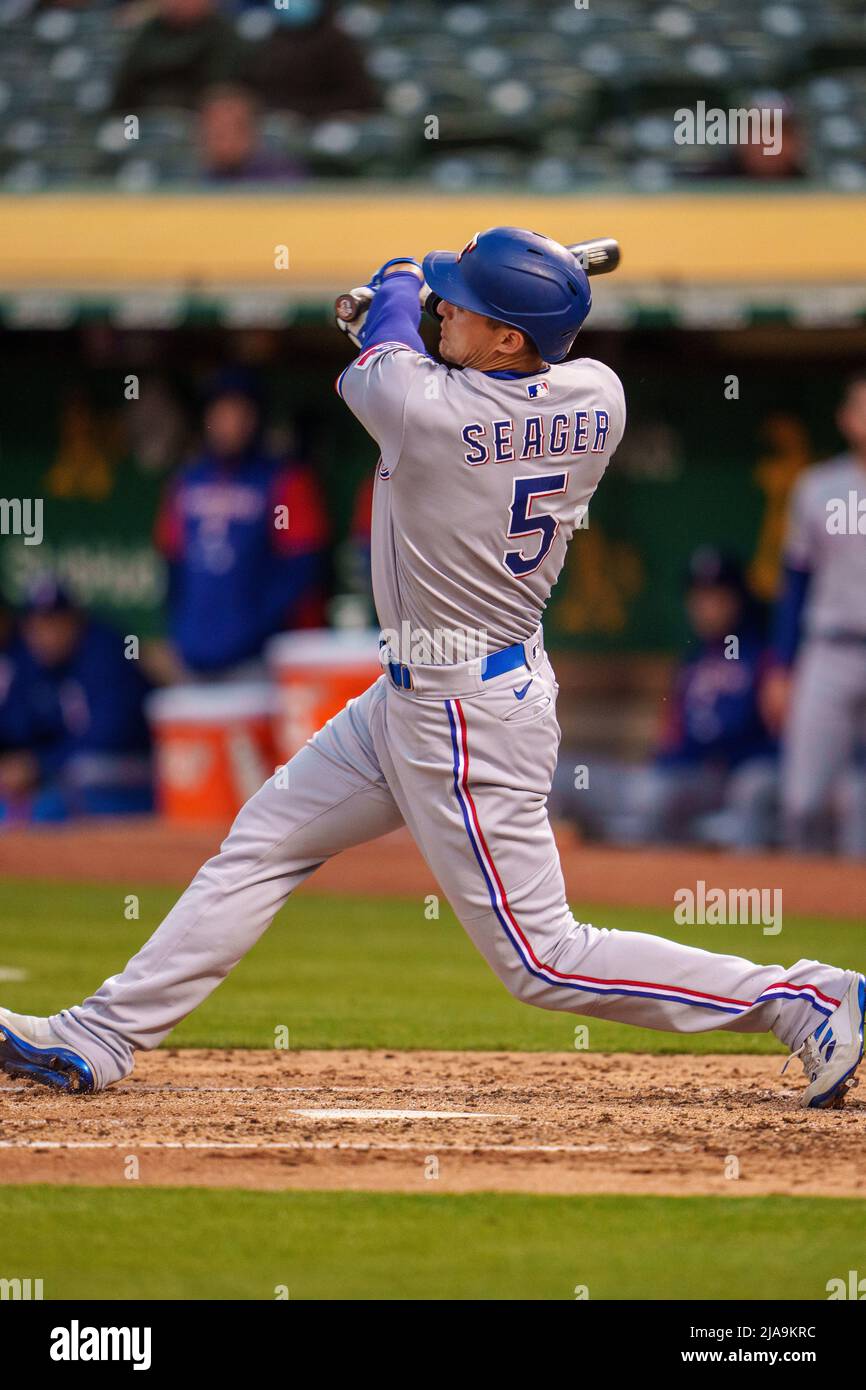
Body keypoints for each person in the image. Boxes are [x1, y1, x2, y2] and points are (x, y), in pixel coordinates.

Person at [0, 229, 862, 1112]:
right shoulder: (598, 395)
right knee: (261, 842)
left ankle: (804, 998)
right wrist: (406, 310)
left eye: (471, 305)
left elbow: (400, 332)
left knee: (543, 961)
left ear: (511, 341)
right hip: (420, 698)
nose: (450, 307)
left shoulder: (426, 410)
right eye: (449, 297)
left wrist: (397, 287)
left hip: (465, 715)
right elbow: (413, 342)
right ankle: (101, 1035)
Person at [155, 368, 328, 680]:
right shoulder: (188, 480)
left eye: (239, 412)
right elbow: (172, 564)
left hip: (260, 661)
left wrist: (251, 630)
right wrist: (184, 633)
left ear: (256, 417)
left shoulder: (285, 480)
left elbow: (303, 571)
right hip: (194, 656)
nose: (229, 424)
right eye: (220, 412)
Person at [763, 370, 866, 855]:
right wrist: (781, 668)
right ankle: (805, 908)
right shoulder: (818, 487)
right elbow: (795, 583)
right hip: (830, 649)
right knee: (803, 801)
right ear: (846, 419)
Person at [616, 550, 777, 848]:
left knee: (753, 789)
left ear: (738, 598)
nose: (706, 607)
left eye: (716, 597)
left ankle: (748, 887)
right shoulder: (694, 660)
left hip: (746, 772)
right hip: (695, 775)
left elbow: (778, 732)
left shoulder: (766, 654)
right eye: (699, 598)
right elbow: (670, 736)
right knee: (646, 794)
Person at [0, 578, 152, 822]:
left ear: (75, 621)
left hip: (127, 771)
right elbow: (15, 725)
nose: (46, 635)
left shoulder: (107, 652)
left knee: (83, 773)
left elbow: (109, 736)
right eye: (37, 625)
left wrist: (40, 764)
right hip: (61, 773)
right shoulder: (29, 661)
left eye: (55, 623)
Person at [112, 0, 241, 113]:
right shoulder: (151, 31)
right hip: (144, 111)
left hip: (195, 114)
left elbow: (219, 88)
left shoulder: (222, 34)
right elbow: (129, 78)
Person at [197, 85, 304, 184]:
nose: (228, 140)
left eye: (237, 129)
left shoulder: (281, 177)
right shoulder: (187, 178)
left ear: (255, 130)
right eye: (219, 132)